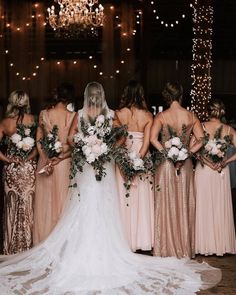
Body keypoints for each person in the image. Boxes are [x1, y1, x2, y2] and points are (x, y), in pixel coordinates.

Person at [0, 82, 220, 294]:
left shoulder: (80, 114)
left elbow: (71, 137)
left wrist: (87, 145)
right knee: (99, 203)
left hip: (89, 164)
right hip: (99, 163)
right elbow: (120, 136)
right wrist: (104, 148)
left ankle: (84, 250)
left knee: (86, 203)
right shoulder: (111, 114)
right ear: (101, 95)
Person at [150, 82, 204, 258]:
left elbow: (152, 139)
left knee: (166, 203)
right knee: (184, 202)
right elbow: (201, 139)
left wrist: (168, 154)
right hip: (186, 164)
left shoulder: (161, 116)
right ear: (181, 95)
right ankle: (183, 249)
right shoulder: (191, 115)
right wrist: (186, 153)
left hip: (166, 165)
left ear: (166, 96)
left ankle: (165, 248)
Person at [33, 83, 76, 245]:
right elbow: (74, 145)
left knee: (46, 203)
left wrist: (46, 158)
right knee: (64, 202)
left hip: (46, 163)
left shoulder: (44, 114)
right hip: (64, 163)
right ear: (69, 98)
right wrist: (62, 157)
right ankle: (63, 242)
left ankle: (45, 240)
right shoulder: (73, 116)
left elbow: (38, 140)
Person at [115, 80, 154, 251]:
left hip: (122, 154)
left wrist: (124, 160)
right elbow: (146, 143)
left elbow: (116, 141)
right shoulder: (147, 115)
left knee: (123, 196)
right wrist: (138, 161)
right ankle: (142, 240)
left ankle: (123, 240)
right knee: (141, 197)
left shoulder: (118, 113)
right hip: (140, 153)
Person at [194, 99, 236, 255]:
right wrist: (227, 161)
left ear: (208, 111)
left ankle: (203, 245)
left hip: (205, 171)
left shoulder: (201, 127)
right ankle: (220, 245)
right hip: (221, 172)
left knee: (204, 206)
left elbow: (194, 150)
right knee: (219, 207)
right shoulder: (229, 129)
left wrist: (207, 162)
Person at [0, 91, 37, 254]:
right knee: (29, 203)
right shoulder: (33, 120)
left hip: (12, 169)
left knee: (12, 204)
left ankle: (11, 248)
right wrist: (29, 158)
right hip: (28, 167)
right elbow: (40, 146)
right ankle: (29, 247)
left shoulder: (5, 122)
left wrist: (8, 160)